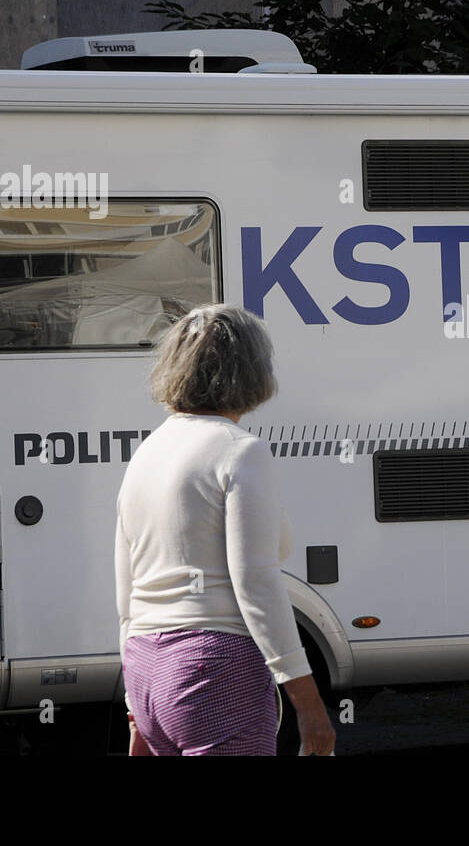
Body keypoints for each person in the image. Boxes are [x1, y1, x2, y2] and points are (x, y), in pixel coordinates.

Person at [115, 303, 336, 755]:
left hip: (145, 668)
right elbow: (255, 580)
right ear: (253, 371)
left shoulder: (148, 451)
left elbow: (127, 593)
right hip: (213, 667)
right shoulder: (239, 451)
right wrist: (309, 704)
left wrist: (136, 709)